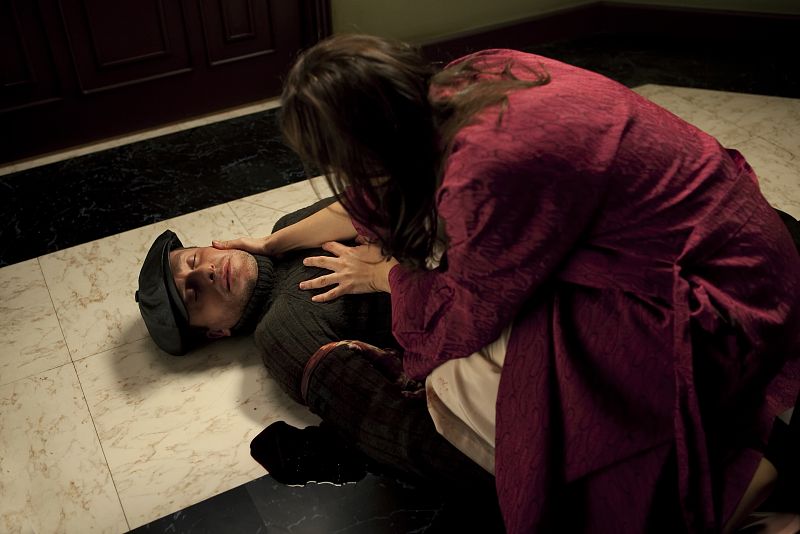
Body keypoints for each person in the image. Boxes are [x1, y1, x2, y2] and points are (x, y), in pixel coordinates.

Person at [213, 34, 800, 532]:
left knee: (467, 387)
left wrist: (388, 278)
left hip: (714, 289)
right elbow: (368, 202)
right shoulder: (475, 73)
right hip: (728, 226)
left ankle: (725, 488)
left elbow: (470, 314)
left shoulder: (482, 174)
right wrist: (272, 243)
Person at [134, 198, 504, 528]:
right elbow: (398, 433)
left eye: (193, 260)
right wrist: (516, 475)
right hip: (496, 327)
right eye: (194, 295)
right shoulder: (282, 331)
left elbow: (383, 195)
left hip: (499, 240)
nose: (205, 273)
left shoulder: (287, 228)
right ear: (217, 332)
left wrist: (277, 242)